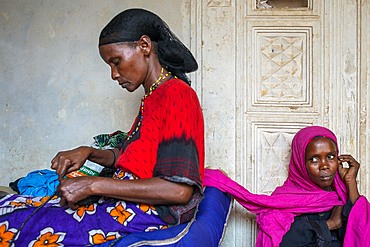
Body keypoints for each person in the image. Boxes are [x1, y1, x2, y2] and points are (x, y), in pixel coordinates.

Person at [0, 8, 204, 246]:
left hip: (145, 213)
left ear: (144, 46)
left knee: (14, 225)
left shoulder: (177, 95)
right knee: (10, 205)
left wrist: (92, 185)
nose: (114, 74)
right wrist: (89, 152)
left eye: (116, 62)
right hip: (126, 202)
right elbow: (134, 158)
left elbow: (179, 191)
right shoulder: (152, 96)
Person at [203, 126, 370, 246]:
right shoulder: (283, 201)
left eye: (331, 157)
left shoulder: (340, 198)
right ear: (300, 163)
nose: (324, 166)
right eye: (314, 159)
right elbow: (282, 241)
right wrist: (329, 224)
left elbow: (363, 231)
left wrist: (350, 183)